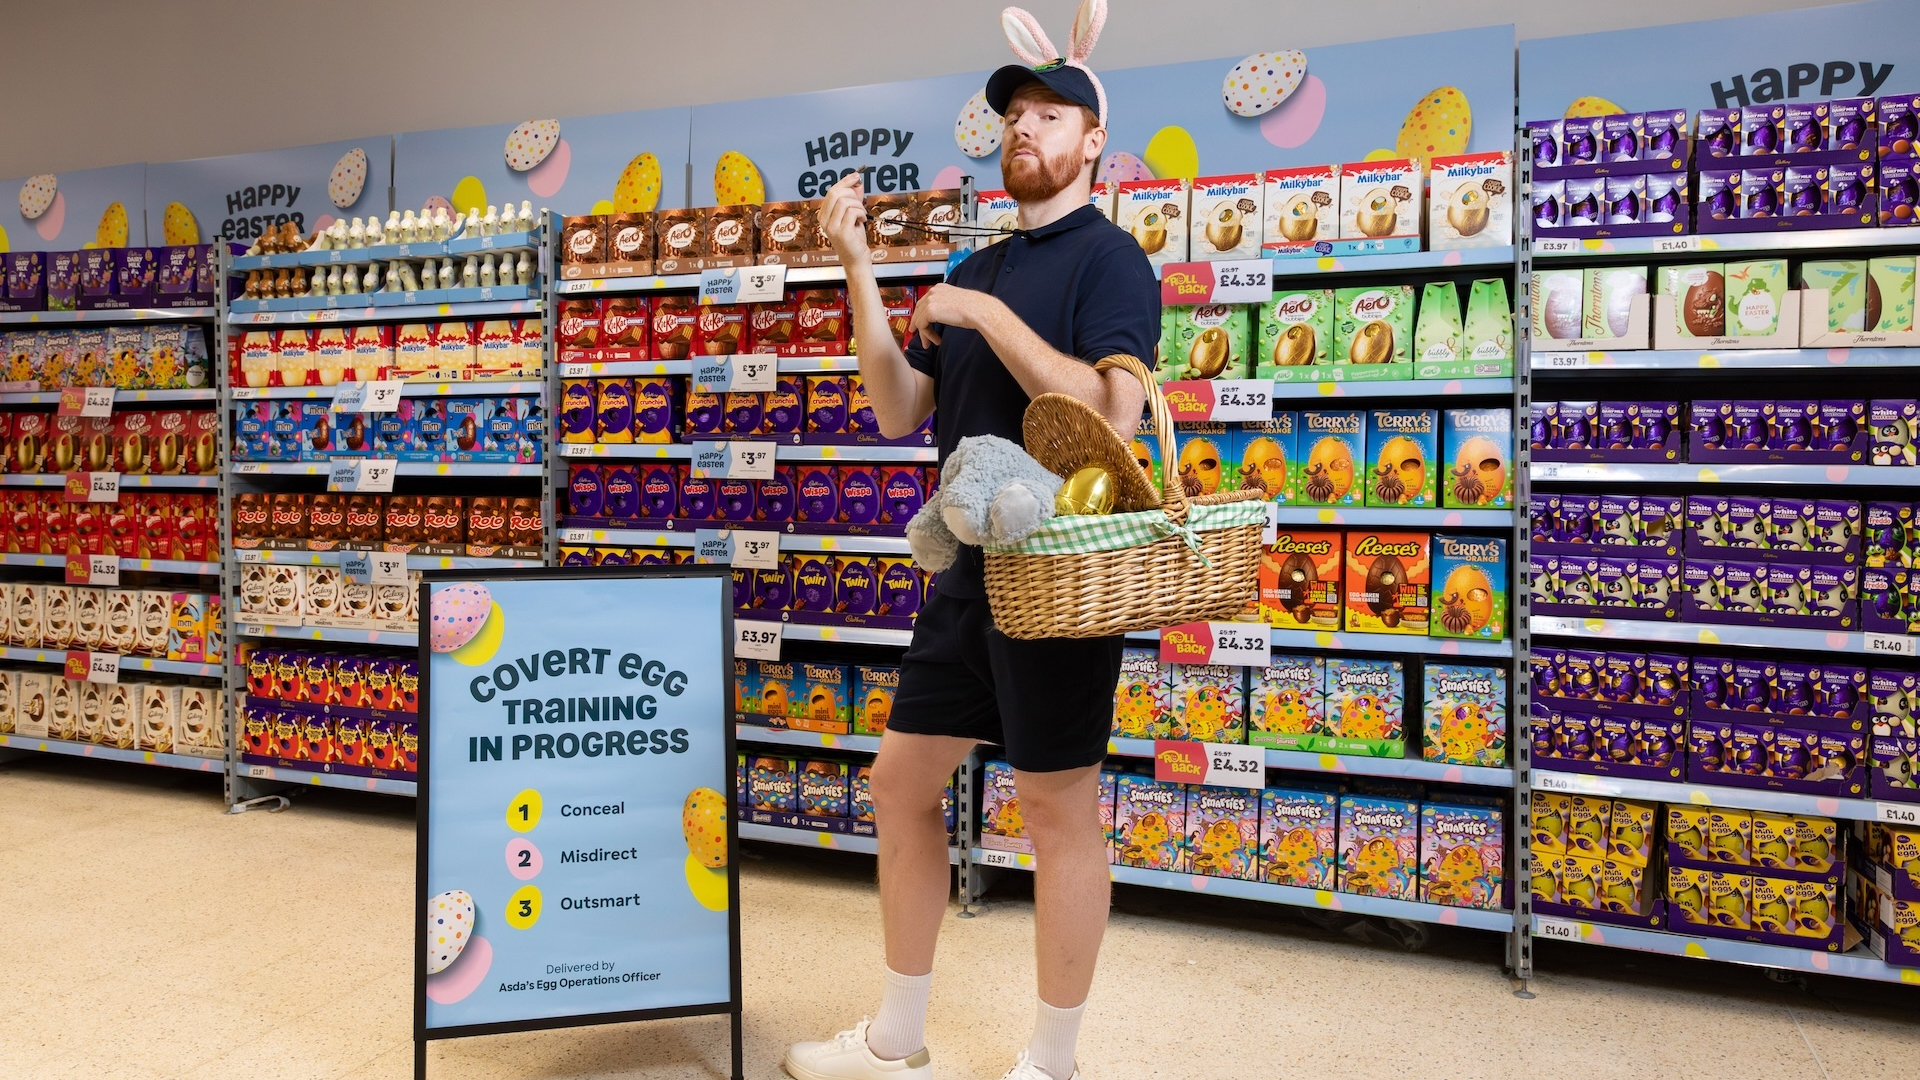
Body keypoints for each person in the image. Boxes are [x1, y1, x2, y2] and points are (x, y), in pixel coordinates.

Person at [781, 4, 1157, 1079]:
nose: (1024, 128)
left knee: (1054, 806)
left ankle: (1053, 1060)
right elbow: (901, 408)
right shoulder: (978, 267)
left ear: (1093, 143)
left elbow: (1109, 418)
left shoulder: (1111, 262)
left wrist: (983, 318)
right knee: (899, 784)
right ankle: (898, 1037)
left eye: (1050, 114)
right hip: (963, 567)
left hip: (1059, 579)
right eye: (1012, 115)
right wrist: (857, 266)